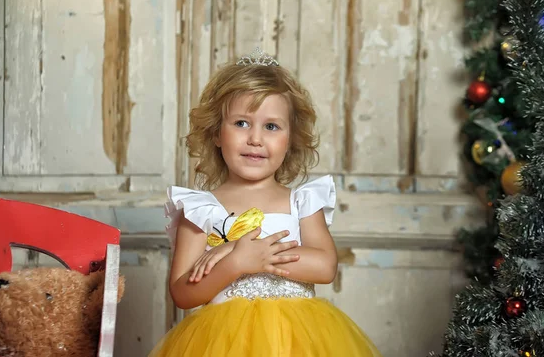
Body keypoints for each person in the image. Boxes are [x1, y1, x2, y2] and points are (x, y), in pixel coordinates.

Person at [149, 48, 382, 356]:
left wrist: (238, 248)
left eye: (271, 126)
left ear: (290, 140)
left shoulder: (301, 201)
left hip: (296, 342)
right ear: (217, 133)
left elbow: (325, 267)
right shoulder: (199, 208)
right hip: (221, 343)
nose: (255, 139)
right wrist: (236, 264)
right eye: (242, 123)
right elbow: (182, 292)